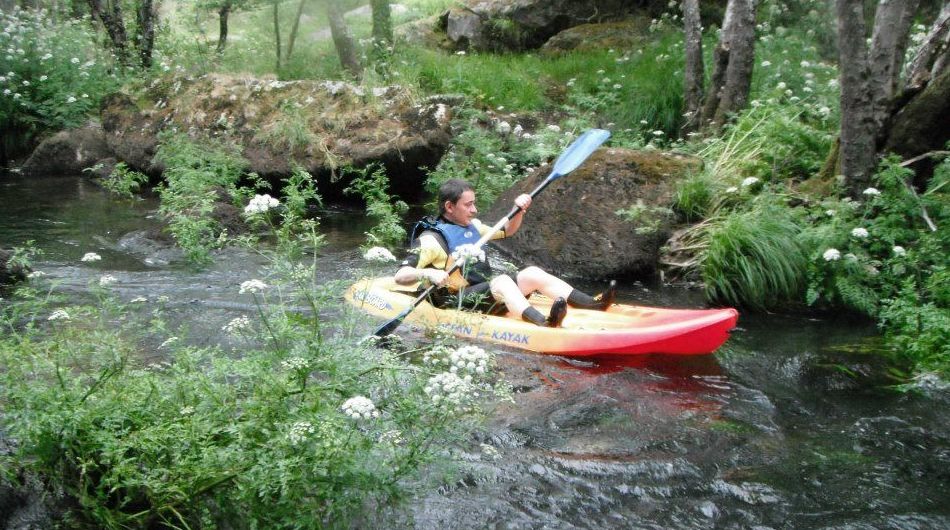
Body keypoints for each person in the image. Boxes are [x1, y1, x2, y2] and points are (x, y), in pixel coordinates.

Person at [394, 178, 615, 327]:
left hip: (485, 294)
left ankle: (591, 303)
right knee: (501, 280)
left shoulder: (474, 227)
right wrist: (429, 274)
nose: (474, 210)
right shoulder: (431, 240)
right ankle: (544, 322)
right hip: (454, 300)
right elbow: (400, 276)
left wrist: (520, 209)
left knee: (532, 273)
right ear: (450, 207)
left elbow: (508, 230)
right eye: (468, 205)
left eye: (474, 204)